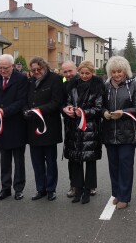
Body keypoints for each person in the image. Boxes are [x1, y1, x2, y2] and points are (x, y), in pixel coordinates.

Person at [102, 56, 136, 209]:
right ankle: (117, 193)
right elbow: (100, 105)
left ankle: (125, 197)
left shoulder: (134, 86)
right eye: (113, 72)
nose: (117, 74)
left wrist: (123, 112)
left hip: (127, 133)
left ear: (125, 71)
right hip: (109, 132)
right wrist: (104, 112)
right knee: (113, 165)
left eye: (119, 71)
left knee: (125, 166)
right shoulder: (106, 87)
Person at [63, 61, 104, 204]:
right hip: (74, 127)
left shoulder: (98, 87)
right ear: (79, 72)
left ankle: (88, 189)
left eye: (88, 73)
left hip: (90, 129)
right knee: (76, 161)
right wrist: (68, 109)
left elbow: (99, 109)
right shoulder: (72, 86)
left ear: (92, 73)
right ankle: (78, 189)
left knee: (90, 161)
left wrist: (83, 112)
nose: (85, 76)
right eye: (82, 73)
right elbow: (68, 101)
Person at [24, 57, 64, 201]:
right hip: (33, 127)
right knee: (37, 161)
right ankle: (40, 188)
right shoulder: (29, 81)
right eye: (33, 70)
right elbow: (24, 100)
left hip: (50, 127)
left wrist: (38, 110)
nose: (36, 72)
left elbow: (57, 102)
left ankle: (51, 189)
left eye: (38, 69)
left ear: (44, 67)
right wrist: (26, 111)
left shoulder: (55, 79)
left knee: (50, 161)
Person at [0, 54, 28, 201]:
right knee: (4, 159)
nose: (2, 71)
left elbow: (21, 101)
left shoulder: (21, 79)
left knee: (18, 160)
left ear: (12, 66)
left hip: (17, 123)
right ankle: (5, 188)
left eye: (5, 68)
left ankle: (18, 188)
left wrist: (3, 112)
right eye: (0, 68)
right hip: (2, 125)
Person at [61, 60, 79, 198]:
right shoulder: (63, 85)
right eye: (65, 72)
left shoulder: (86, 81)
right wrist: (64, 109)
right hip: (70, 125)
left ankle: (90, 186)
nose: (68, 74)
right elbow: (60, 103)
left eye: (70, 71)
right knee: (72, 157)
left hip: (87, 124)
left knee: (89, 157)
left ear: (76, 69)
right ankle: (74, 185)